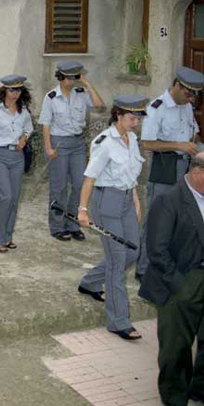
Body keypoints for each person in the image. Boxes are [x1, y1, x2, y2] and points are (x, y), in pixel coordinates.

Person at [77, 96, 148, 341]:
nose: (135, 122)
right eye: (131, 117)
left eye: (138, 118)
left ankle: (90, 282)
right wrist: (82, 210)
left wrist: (136, 201)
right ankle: (119, 321)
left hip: (127, 199)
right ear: (118, 114)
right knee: (118, 261)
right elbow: (90, 177)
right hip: (106, 201)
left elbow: (132, 174)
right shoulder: (105, 142)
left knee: (133, 251)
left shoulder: (133, 139)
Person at [139, 153, 204, 405]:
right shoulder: (169, 200)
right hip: (179, 282)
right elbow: (157, 250)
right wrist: (180, 287)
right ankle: (175, 398)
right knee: (176, 348)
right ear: (197, 172)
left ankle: (199, 390)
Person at [136, 66, 204, 280]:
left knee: (181, 216)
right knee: (157, 218)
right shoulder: (156, 107)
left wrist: (196, 147)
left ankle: (170, 261)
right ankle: (144, 268)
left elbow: (194, 134)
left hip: (186, 166)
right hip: (164, 166)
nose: (191, 99)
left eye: (194, 95)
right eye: (188, 94)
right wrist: (179, 145)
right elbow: (147, 143)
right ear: (176, 85)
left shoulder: (186, 105)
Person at [38, 60, 105, 242]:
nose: (71, 81)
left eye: (75, 78)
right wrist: (48, 147)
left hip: (77, 144)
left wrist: (87, 84)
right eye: (68, 78)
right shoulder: (51, 97)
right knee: (59, 188)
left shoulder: (81, 93)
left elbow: (99, 105)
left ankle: (73, 224)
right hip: (58, 143)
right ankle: (57, 226)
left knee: (79, 185)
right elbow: (46, 124)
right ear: (60, 78)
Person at [0, 75, 34, 253]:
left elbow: (29, 127)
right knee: (6, 197)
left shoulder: (23, 110)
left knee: (15, 198)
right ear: (4, 90)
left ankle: (8, 236)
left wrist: (24, 138)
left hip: (17, 156)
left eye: (19, 89)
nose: (16, 93)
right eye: (12, 89)